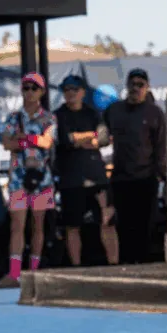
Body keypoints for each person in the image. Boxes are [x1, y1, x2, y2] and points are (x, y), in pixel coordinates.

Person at [0, 72, 57, 287]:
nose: (30, 92)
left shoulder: (49, 118)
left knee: (38, 225)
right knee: (17, 224)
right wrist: (27, 142)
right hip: (18, 178)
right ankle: (14, 274)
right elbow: (6, 142)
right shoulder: (14, 117)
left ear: (41, 92)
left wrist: (26, 139)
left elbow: (47, 142)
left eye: (34, 88)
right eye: (26, 88)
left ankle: (33, 273)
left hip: (42, 179)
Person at [53, 76, 118, 267]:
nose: (71, 93)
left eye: (75, 89)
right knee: (72, 226)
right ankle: (76, 267)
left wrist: (78, 139)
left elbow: (104, 139)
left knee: (108, 221)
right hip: (71, 179)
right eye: (67, 90)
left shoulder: (94, 114)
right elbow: (65, 140)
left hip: (97, 178)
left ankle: (114, 265)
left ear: (82, 92)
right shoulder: (58, 115)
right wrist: (90, 137)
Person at [103, 68, 167, 264]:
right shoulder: (114, 110)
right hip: (120, 178)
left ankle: (145, 264)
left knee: (145, 225)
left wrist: (160, 174)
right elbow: (101, 138)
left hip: (146, 178)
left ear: (147, 88)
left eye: (141, 85)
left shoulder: (155, 113)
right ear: (127, 86)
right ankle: (126, 264)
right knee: (122, 224)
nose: (136, 88)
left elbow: (161, 146)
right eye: (133, 84)